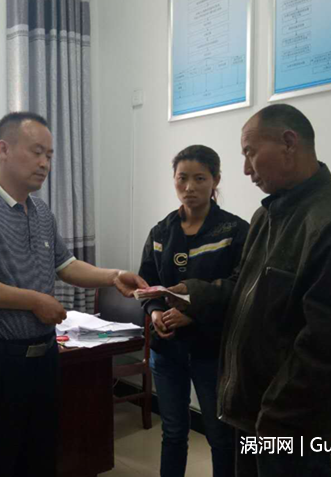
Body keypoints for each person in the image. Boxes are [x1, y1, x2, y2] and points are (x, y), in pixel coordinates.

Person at [170, 104, 331, 477]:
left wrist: (272, 415)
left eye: (250, 152)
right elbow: (242, 288)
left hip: (293, 424)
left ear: (288, 142)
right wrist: (189, 293)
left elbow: (328, 345)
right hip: (254, 414)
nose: (246, 169)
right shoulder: (267, 215)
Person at [0, 111, 148, 477]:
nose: (45, 163)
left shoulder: (40, 211)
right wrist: (34, 300)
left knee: (39, 457)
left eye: (50, 155)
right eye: (37, 152)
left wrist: (113, 276)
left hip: (43, 358)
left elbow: (66, 266)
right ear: (3, 149)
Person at [138, 145, 248, 477]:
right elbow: (147, 283)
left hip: (212, 350)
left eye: (200, 178)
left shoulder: (234, 231)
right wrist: (155, 313)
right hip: (167, 348)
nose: (189, 187)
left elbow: (241, 287)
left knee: (220, 436)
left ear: (216, 180)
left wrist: (193, 312)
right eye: (182, 178)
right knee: (172, 432)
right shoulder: (161, 232)